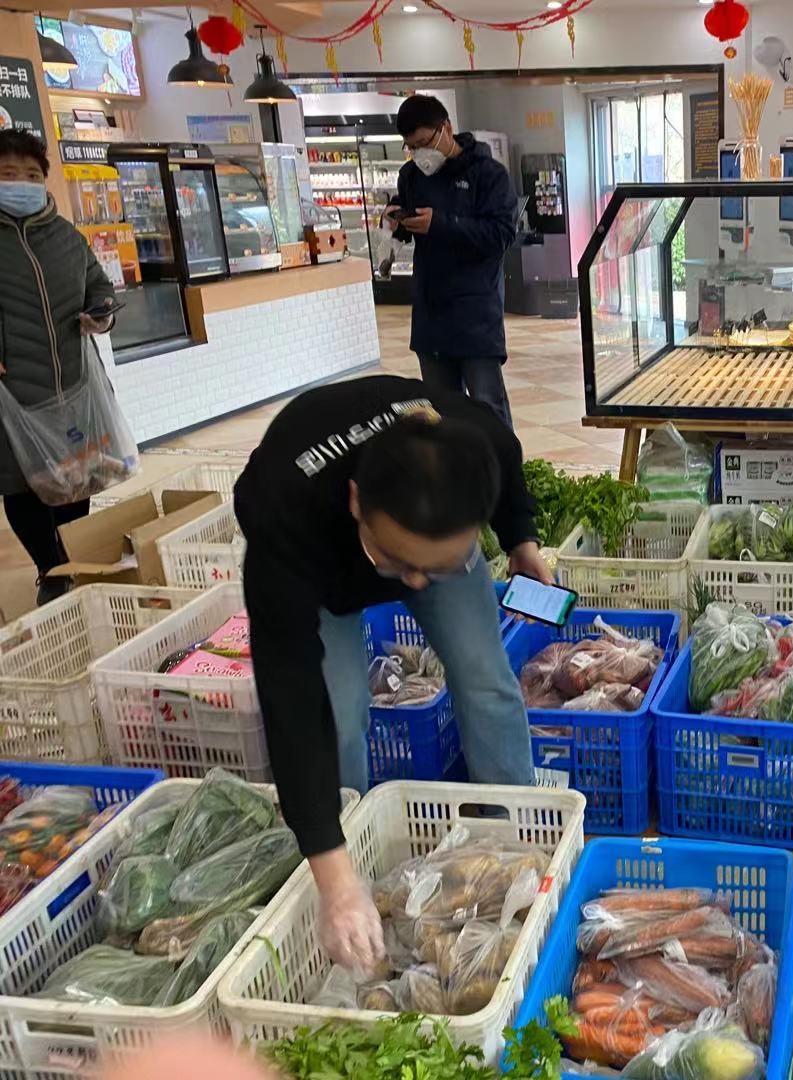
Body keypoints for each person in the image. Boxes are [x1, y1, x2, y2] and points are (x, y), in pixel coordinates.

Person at [234, 375, 548, 974]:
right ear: (356, 501)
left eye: (436, 567)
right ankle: (350, 872)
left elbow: (506, 459)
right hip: (323, 572)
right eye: (401, 565)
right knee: (338, 716)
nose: (416, 585)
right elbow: (293, 703)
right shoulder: (282, 518)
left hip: (414, 529)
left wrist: (520, 538)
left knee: (486, 679)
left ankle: (514, 845)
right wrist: (334, 879)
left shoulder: (471, 441)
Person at [0, 129, 119, 606]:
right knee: (22, 482)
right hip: (13, 393)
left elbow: (100, 288)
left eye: (31, 174)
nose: (21, 183)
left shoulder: (66, 237)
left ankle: (71, 556)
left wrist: (102, 313)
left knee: (76, 475)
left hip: (73, 383)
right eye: (8, 173)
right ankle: (50, 569)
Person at [386, 94, 518, 427]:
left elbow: (501, 235)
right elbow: (410, 227)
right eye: (411, 147)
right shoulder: (411, 176)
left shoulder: (489, 175)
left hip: (476, 313)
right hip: (430, 314)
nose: (419, 154)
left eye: (424, 143)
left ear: (446, 128)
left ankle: (502, 462)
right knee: (441, 414)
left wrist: (442, 224)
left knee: (489, 409)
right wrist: (398, 221)